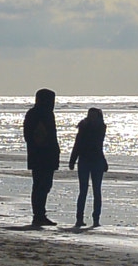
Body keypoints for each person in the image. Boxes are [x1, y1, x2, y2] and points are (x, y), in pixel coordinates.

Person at [22, 88, 59, 227]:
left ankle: (39, 215)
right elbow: (46, 137)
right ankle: (39, 215)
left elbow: (28, 136)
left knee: (39, 186)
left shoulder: (33, 113)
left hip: (37, 156)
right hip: (44, 156)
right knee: (43, 186)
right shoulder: (44, 114)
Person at [68, 106, 107, 229]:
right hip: (84, 160)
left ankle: (96, 219)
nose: (91, 117)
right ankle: (79, 219)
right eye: (90, 115)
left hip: (96, 161)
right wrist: (72, 160)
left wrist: (104, 162)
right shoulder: (83, 127)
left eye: (94, 115)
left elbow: (98, 146)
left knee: (97, 191)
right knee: (83, 190)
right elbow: (77, 144)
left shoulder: (101, 128)